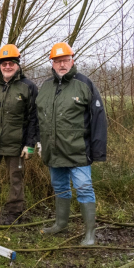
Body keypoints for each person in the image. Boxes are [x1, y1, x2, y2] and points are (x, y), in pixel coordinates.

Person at [37, 42, 107, 246]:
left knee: (84, 188)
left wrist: (98, 150)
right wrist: (38, 141)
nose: (62, 65)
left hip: (78, 150)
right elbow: (37, 117)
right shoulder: (46, 87)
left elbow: (99, 119)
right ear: (52, 63)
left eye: (65, 60)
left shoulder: (85, 84)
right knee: (59, 187)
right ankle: (60, 224)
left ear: (72, 61)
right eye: (58, 61)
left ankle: (90, 234)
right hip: (54, 150)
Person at [0, 44, 39, 225]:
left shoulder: (28, 87)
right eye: (4, 64)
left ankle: (14, 212)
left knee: (15, 179)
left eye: (11, 63)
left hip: (16, 144)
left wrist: (30, 144)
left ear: (18, 64)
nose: (7, 67)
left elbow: (33, 118)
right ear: (0, 65)